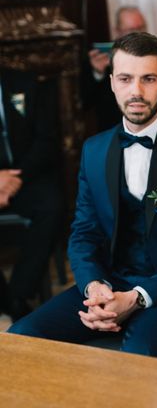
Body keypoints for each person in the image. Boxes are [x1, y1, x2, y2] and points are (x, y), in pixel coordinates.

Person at [8, 32, 157, 359]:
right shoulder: (95, 150)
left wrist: (139, 296)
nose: (136, 91)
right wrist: (94, 287)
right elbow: (84, 234)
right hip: (111, 283)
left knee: (136, 357)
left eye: (149, 79)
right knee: (21, 338)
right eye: (126, 79)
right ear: (112, 82)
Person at [0, 69, 63, 321]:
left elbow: (47, 139)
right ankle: (4, 297)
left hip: (25, 176)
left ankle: (18, 294)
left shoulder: (26, 83)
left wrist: (16, 177)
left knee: (52, 207)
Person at [82, 6, 157, 132]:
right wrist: (97, 73)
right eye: (131, 29)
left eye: (140, 28)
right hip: (114, 132)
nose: (137, 34)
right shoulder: (100, 57)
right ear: (117, 31)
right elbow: (85, 102)